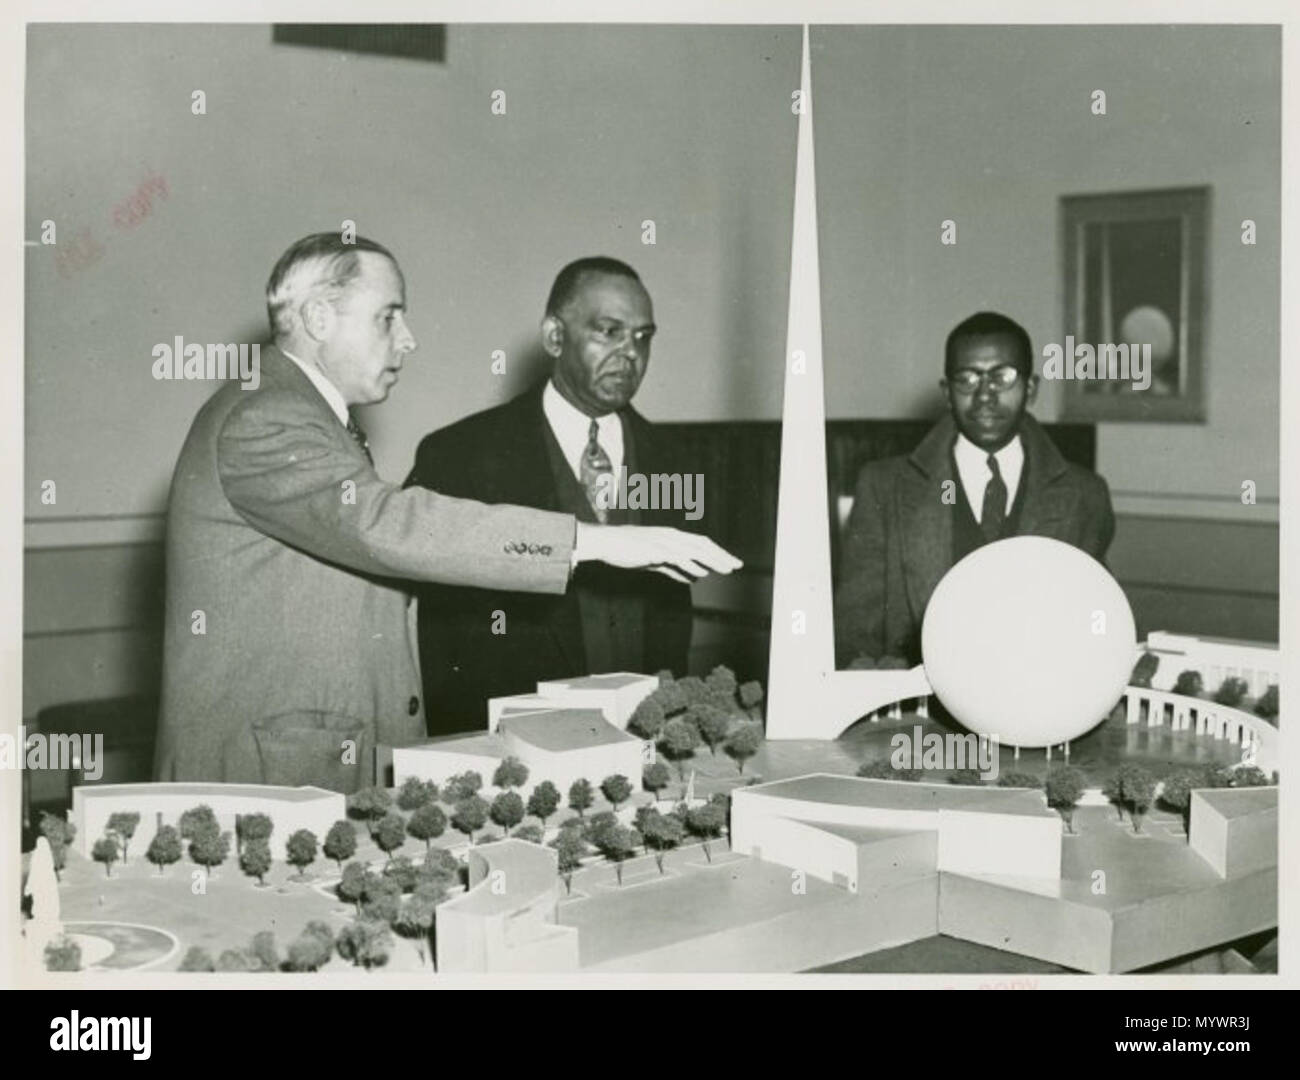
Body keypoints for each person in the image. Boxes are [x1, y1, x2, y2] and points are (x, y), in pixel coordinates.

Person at [155, 235, 738, 785]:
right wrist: (596, 540)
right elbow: (383, 525)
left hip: (309, 759)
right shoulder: (266, 415)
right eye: (389, 316)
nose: (407, 339)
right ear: (317, 319)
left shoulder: (301, 412)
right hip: (268, 774)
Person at [406, 257, 697, 735]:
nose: (630, 354)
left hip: (646, 744)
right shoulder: (460, 455)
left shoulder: (676, 459)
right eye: (609, 331)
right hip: (510, 750)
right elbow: (447, 638)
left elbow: (672, 620)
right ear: (554, 337)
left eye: (643, 337)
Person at [834, 311, 1115, 668]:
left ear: (1031, 388)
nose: (984, 395)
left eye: (1003, 376)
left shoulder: (1084, 494)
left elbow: (1095, 629)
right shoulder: (883, 487)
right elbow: (855, 635)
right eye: (966, 379)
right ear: (947, 393)